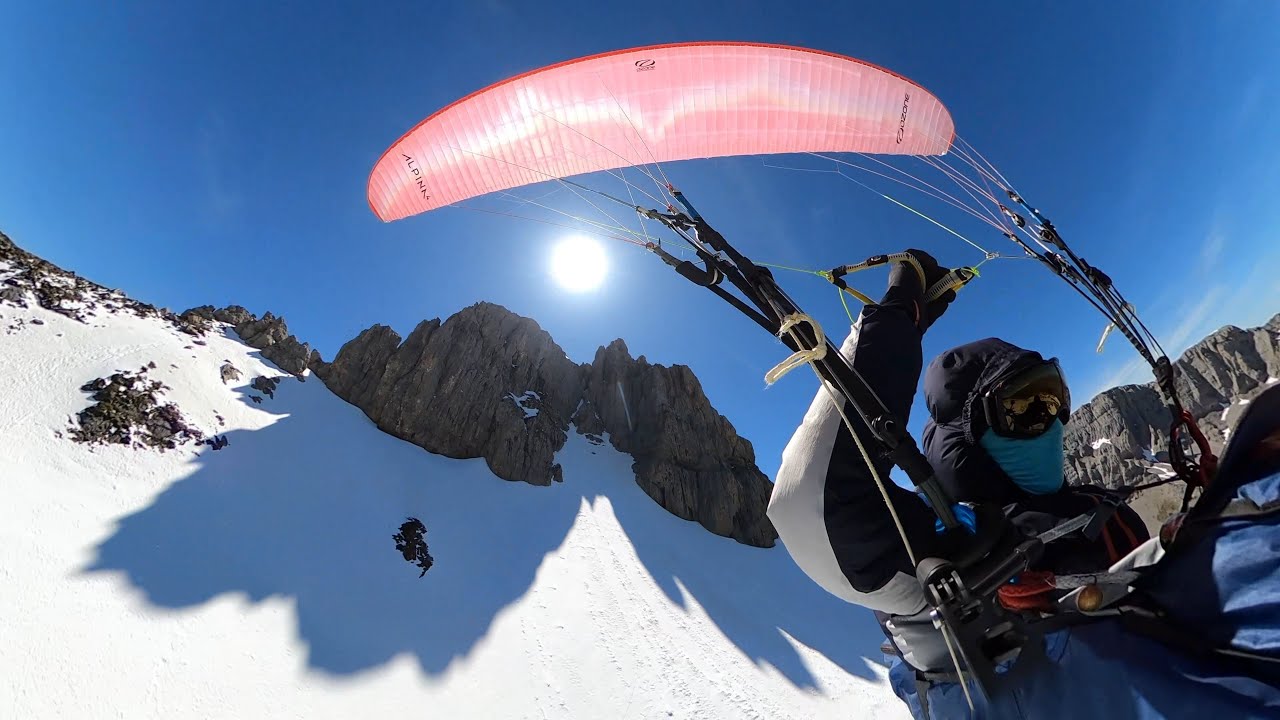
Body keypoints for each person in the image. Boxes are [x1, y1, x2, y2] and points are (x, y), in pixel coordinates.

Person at [767, 250, 1280, 719]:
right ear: (967, 438)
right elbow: (811, 503)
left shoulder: (1093, 511)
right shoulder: (948, 554)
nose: (1053, 419)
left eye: (1055, 398)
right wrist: (900, 317)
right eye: (1025, 406)